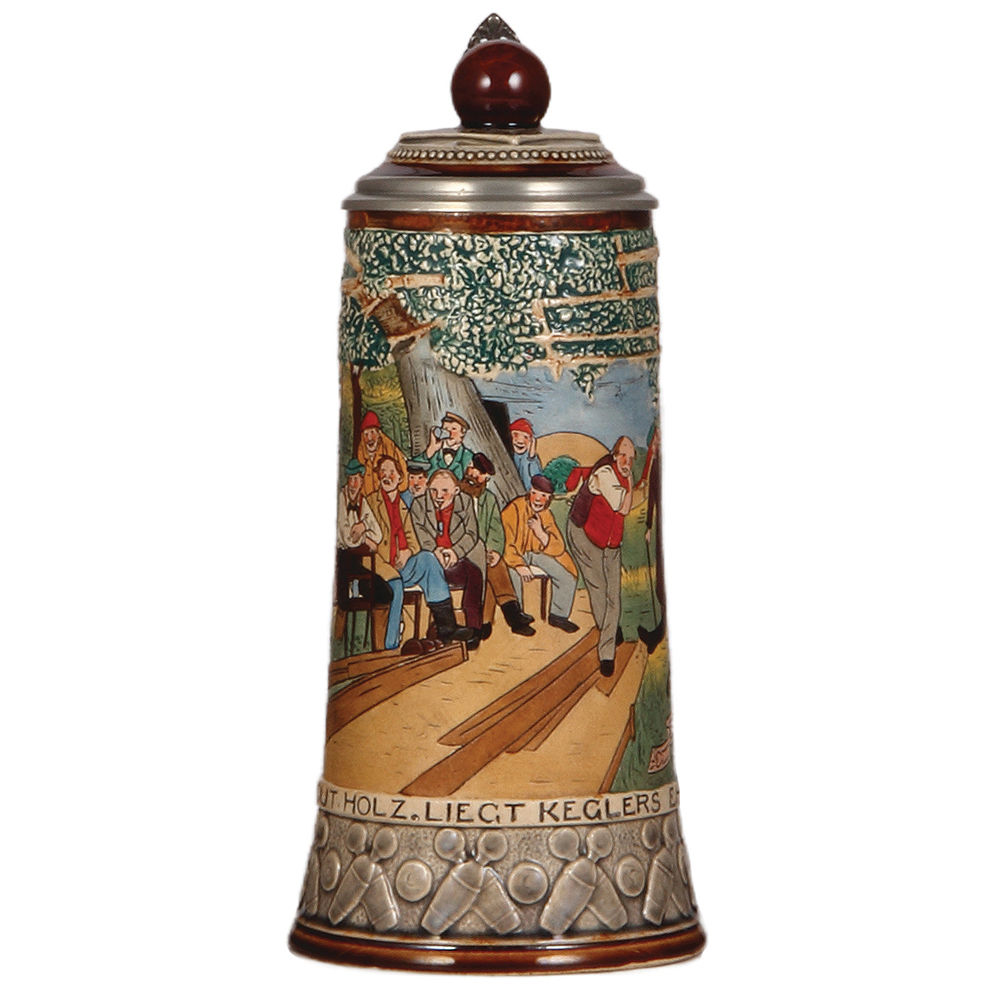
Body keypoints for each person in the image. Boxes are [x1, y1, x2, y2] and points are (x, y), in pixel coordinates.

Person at [366, 457, 471, 649]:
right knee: (396, 585)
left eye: (392, 472)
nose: (387, 476)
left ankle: (447, 628)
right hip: (380, 568)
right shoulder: (371, 502)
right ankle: (390, 645)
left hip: (404, 566)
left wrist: (408, 551)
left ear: (400, 478)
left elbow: (413, 540)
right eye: (383, 472)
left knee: (428, 559)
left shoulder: (402, 505)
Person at [566, 437, 636, 676]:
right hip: (584, 534)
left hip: (610, 541)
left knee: (613, 593)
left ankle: (609, 635)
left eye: (631, 458)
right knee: (599, 589)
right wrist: (630, 482)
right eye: (623, 456)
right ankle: (607, 650)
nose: (627, 462)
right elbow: (623, 507)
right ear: (614, 456)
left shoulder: (623, 475)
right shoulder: (605, 473)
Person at [460, 453, 535, 638]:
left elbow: (496, 530)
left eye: (483, 476)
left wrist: (493, 550)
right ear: (469, 468)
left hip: (483, 552)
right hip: (461, 552)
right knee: (493, 568)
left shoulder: (489, 498)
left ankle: (484, 623)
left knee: (493, 564)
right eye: (476, 471)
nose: (478, 477)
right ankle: (513, 616)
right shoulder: (457, 495)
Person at [410, 469, 485, 649]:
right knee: (434, 572)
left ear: (456, 490)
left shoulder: (465, 502)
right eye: (434, 490)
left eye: (445, 491)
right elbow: (420, 533)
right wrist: (434, 550)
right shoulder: (419, 505)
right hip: (431, 559)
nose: (439, 496)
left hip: (455, 558)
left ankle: (473, 629)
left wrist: (455, 552)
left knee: (474, 574)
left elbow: (471, 533)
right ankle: (444, 630)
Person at [501, 475, 578, 634]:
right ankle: (518, 620)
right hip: (514, 554)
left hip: (537, 553)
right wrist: (519, 565)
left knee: (566, 576)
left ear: (549, 499)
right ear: (530, 492)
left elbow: (558, 547)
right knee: (512, 574)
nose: (538, 499)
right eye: (535, 493)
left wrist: (541, 533)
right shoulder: (513, 509)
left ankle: (559, 616)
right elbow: (505, 544)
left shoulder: (546, 514)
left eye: (543, 496)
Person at [335, 458, 391, 651]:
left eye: (357, 479)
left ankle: (378, 647)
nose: (354, 484)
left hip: (359, 565)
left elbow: (378, 534)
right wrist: (366, 538)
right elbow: (347, 538)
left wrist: (363, 526)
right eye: (351, 479)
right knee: (344, 603)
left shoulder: (362, 501)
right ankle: (340, 641)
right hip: (342, 563)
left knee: (384, 593)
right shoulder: (340, 500)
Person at [636, 424, 667, 653]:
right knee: (661, 579)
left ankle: (659, 632)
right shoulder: (657, 463)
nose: (656, 442)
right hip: (662, 527)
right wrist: (648, 526)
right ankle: (658, 631)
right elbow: (652, 498)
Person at [355, 410, 407, 496]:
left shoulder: (390, 448)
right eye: (366, 434)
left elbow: (403, 475)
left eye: (372, 432)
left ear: (379, 433)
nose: (369, 438)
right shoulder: (361, 454)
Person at [424, 411, 474, 479]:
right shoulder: (434, 452)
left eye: (454, 429)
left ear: (462, 433)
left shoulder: (468, 456)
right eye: (445, 429)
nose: (449, 433)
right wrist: (431, 449)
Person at [509, 418, 543, 491]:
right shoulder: (508, 455)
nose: (520, 441)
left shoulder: (531, 459)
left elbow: (537, 479)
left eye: (525, 437)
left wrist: (531, 456)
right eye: (515, 435)